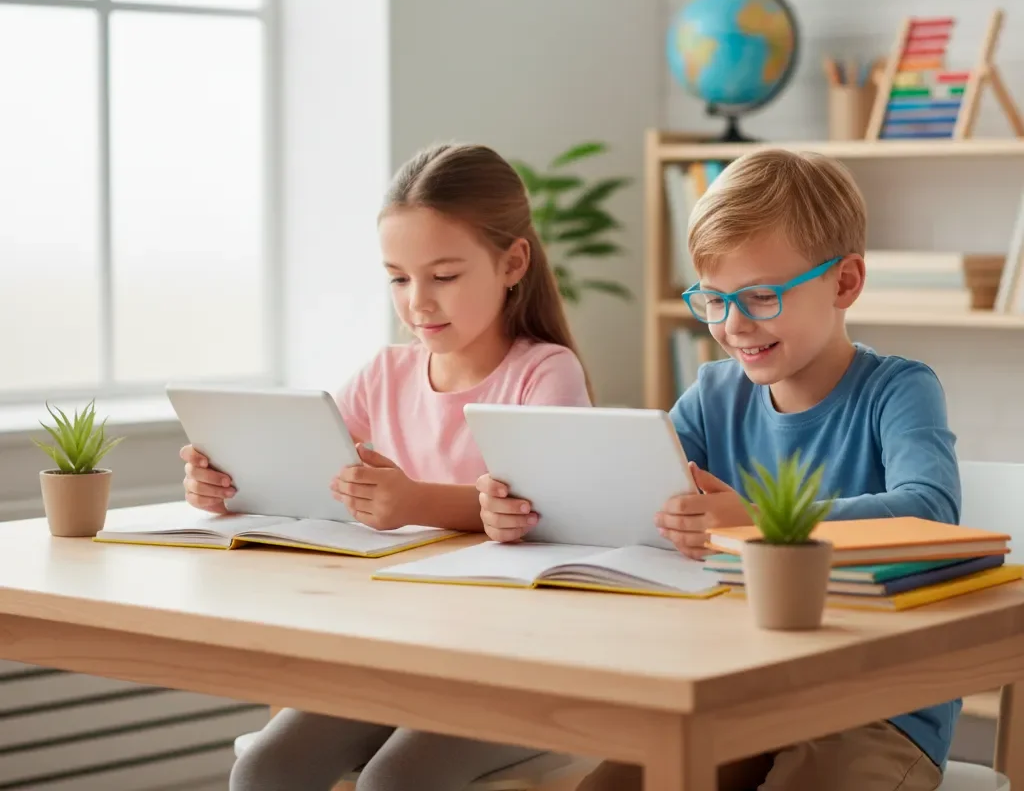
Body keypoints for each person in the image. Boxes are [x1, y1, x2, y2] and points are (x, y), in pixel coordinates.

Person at [478, 148, 959, 791]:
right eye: (714, 299)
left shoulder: (898, 391)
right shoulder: (714, 395)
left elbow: (930, 511)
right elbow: (625, 485)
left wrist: (761, 524)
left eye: (761, 297)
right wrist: (525, 505)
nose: (732, 325)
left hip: (878, 709)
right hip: (742, 693)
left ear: (844, 282)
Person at [180, 142, 592, 791]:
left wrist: (415, 503)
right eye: (399, 278)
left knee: (393, 783)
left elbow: (558, 518)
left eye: (444, 276)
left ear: (512, 262)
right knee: (264, 767)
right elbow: (304, 470)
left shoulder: (545, 374)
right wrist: (227, 483)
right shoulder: (386, 373)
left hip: (515, 663)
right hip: (397, 652)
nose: (418, 302)